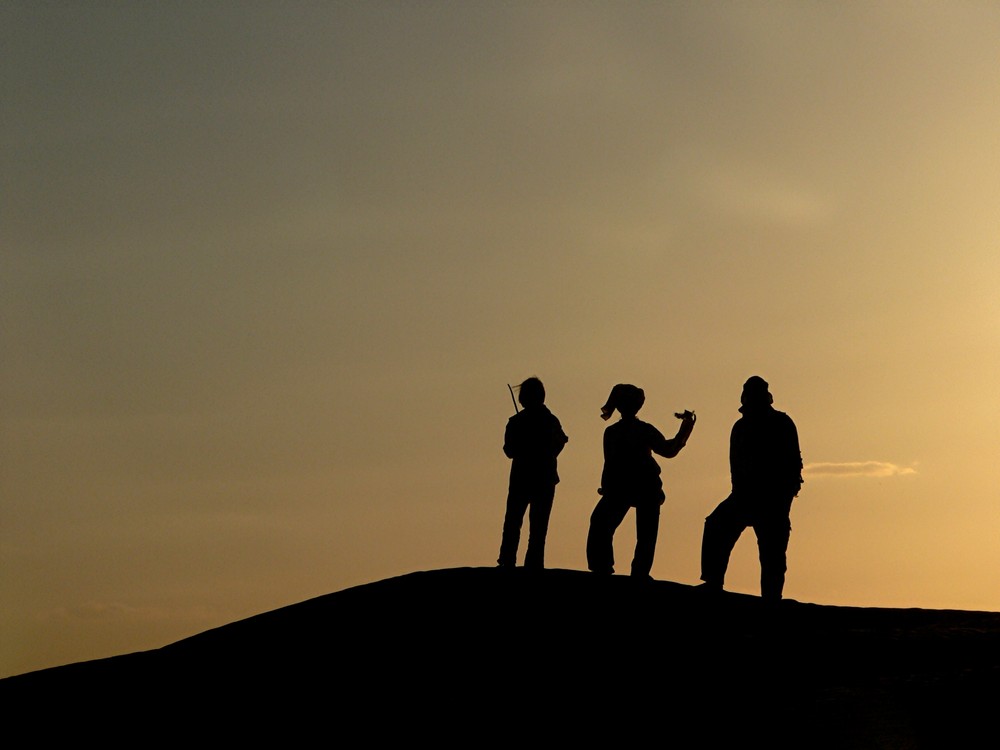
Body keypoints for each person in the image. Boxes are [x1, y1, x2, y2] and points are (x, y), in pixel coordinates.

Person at [700, 376, 803, 600]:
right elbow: (735, 464)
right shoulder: (741, 427)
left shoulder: (781, 423)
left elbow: (793, 463)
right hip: (744, 496)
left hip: (772, 499)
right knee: (716, 526)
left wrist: (785, 496)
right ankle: (712, 581)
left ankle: (771, 598)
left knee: (772, 554)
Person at [586, 384, 696, 579]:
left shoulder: (630, 431)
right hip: (626, 487)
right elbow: (667, 450)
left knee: (639, 532)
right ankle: (611, 569)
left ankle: (632, 572)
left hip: (643, 487)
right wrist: (684, 432)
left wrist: (684, 431)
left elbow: (667, 450)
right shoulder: (621, 432)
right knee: (605, 524)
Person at [497, 377, 569, 570]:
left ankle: (507, 560)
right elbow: (560, 442)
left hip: (523, 478)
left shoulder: (516, 422)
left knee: (513, 520)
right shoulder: (550, 420)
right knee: (538, 525)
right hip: (544, 478)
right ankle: (533, 563)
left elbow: (508, 451)